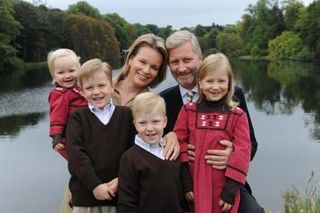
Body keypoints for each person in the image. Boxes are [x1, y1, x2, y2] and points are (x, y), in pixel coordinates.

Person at [160, 30, 263, 212]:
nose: (181, 68)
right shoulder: (163, 101)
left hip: (227, 180)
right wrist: (170, 138)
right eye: (175, 62)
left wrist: (232, 156)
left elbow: (250, 145)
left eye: (187, 60)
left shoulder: (233, 95)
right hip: (185, 184)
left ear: (201, 58)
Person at [174, 53, 251, 212]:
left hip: (223, 187)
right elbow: (179, 143)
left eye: (221, 81)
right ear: (200, 83)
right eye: (209, 81)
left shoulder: (237, 115)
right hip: (195, 185)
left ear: (229, 83)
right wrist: (186, 182)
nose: (215, 87)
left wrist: (231, 189)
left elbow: (243, 151)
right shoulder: (188, 111)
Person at [66, 58, 135, 213]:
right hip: (86, 198)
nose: (96, 92)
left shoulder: (126, 115)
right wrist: (95, 185)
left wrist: (121, 180)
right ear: (82, 92)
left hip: (121, 195)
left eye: (101, 85)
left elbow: (135, 151)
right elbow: (76, 154)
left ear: (112, 86)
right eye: (89, 88)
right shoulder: (77, 117)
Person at [111, 33, 179, 160]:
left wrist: (172, 135)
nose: (146, 70)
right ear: (131, 58)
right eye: (142, 62)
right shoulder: (100, 89)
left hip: (128, 176)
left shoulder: (153, 106)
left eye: (154, 67)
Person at [117, 92, 186, 213]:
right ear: (135, 125)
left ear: (165, 122)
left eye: (155, 122)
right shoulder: (130, 158)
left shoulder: (172, 150)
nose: (149, 128)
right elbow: (126, 201)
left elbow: (181, 186)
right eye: (143, 123)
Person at [47, 48, 88, 213]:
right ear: (53, 76)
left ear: (79, 69)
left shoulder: (78, 89)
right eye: (61, 72)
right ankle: (76, 197)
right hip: (68, 140)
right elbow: (57, 117)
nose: (67, 75)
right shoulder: (60, 94)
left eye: (72, 70)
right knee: (79, 167)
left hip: (82, 136)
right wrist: (56, 136)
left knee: (86, 166)